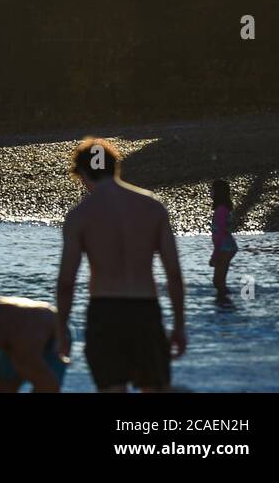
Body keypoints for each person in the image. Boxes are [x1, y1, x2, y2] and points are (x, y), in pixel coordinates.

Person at [55, 138, 186, 393]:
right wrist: (179, 325)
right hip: (145, 311)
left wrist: (61, 330)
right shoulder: (152, 207)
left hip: (105, 312)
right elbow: (174, 274)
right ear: (115, 166)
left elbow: (66, 283)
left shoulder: (80, 216)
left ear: (82, 173)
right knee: (154, 388)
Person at [0, 297, 68, 393]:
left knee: (45, 387)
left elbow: (51, 386)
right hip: (23, 323)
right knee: (0, 386)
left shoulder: (23, 350)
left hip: (56, 334)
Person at [209, 179, 239, 298]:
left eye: (212, 190)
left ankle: (225, 303)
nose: (210, 192)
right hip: (225, 247)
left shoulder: (221, 210)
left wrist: (215, 254)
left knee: (218, 281)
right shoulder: (221, 209)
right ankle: (224, 301)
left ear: (218, 192)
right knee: (219, 282)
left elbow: (221, 233)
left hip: (225, 248)